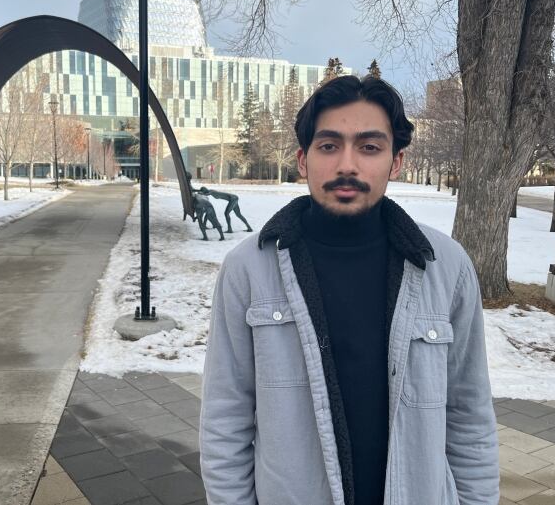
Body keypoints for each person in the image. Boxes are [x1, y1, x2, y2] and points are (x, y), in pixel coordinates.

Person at [200, 75, 499, 505]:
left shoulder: (446, 267)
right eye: (328, 146)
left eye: (369, 147)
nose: (347, 165)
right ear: (302, 160)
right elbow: (224, 422)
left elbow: (470, 419)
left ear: (396, 162)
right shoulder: (248, 270)